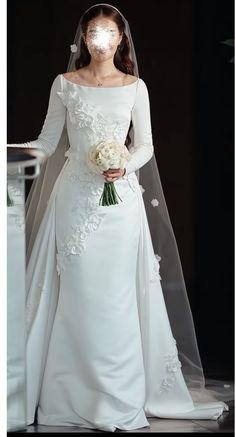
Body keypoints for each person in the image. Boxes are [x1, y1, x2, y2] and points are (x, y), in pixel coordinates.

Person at [8, 3, 231, 432]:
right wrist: (11, 155)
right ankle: (69, 397)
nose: (100, 40)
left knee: (117, 298)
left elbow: (145, 145)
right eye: (93, 32)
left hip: (120, 205)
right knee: (77, 296)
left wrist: (124, 165)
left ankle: (117, 399)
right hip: (73, 201)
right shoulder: (64, 84)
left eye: (108, 33)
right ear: (83, 38)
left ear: (121, 38)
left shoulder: (135, 87)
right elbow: (48, 141)